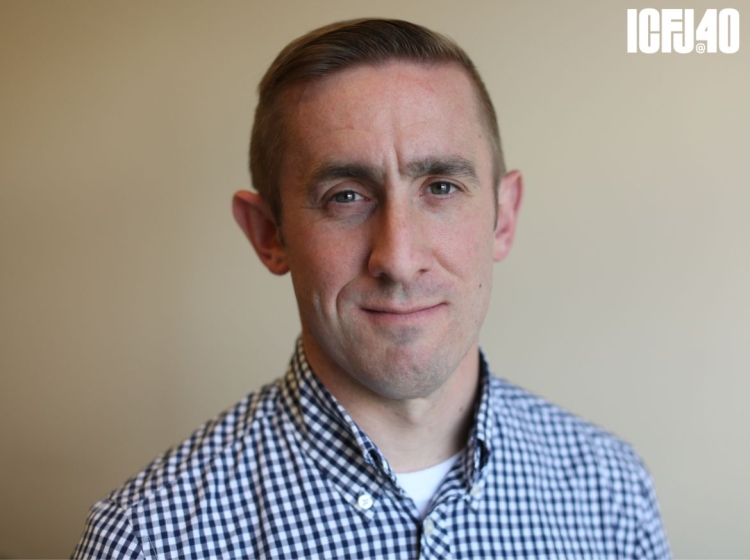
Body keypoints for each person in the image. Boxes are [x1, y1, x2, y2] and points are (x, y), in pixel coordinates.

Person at [73, 18, 670, 559]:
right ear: (268, 235)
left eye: (440, 187)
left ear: (503, 217)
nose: (400, 259)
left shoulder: (610, 492)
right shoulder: (148, 539)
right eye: (346, 197)